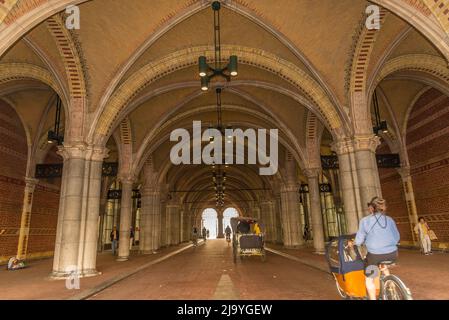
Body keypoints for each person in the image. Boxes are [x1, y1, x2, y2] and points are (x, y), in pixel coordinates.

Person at [351, 197, 400, 300]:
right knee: (384, 265)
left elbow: (359, 241)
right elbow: (397, 237)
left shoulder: (365, 221)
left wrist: (355, 244)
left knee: (370, 279)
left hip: (374, 256)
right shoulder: (390, 219)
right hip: (393, 254)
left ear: (372, 208)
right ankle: (391, 285)